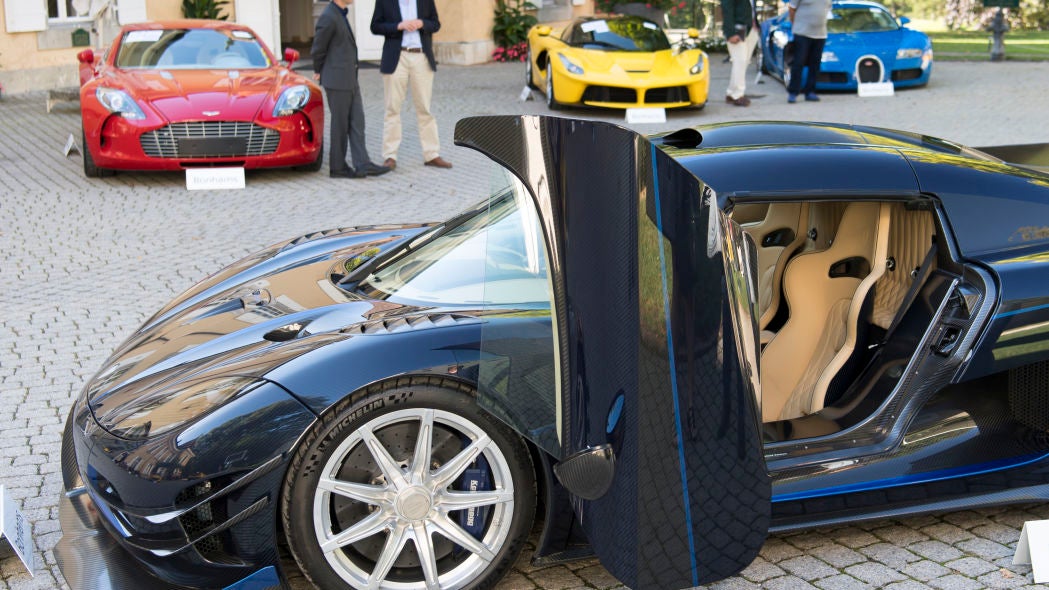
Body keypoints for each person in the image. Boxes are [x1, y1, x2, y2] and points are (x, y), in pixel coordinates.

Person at [312, 0, 390, 178]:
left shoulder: (340, 14)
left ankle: (362, 164)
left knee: (357, 122)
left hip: (349, 78)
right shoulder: (328, 16)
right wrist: (318, 70)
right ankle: (337, 167)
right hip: (337, 79)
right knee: (340, 124)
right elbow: (318, 48)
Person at [371, 0, 452, 170]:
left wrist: (422, 23)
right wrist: (398, 26)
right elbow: (375, 26)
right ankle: (390, 156)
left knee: (425, 108)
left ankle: (432, 154)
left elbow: (436, 24)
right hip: (396, 57)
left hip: (421, 57)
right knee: (392, 108)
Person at [787, 0, 833, 102]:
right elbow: (791, 9)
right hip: (802, 33)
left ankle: (810, 91)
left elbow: (827, 10)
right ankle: (793, 92)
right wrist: (795, 25)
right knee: (798, 63)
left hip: (820, 34)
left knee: (815, 64)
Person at [721, 0, 760, 106]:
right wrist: (730, 33)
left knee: (744, 62)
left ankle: (731, 92)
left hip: (751, 29)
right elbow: (726, 9)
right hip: (737, 31)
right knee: (740, 61)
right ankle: (738, 95)